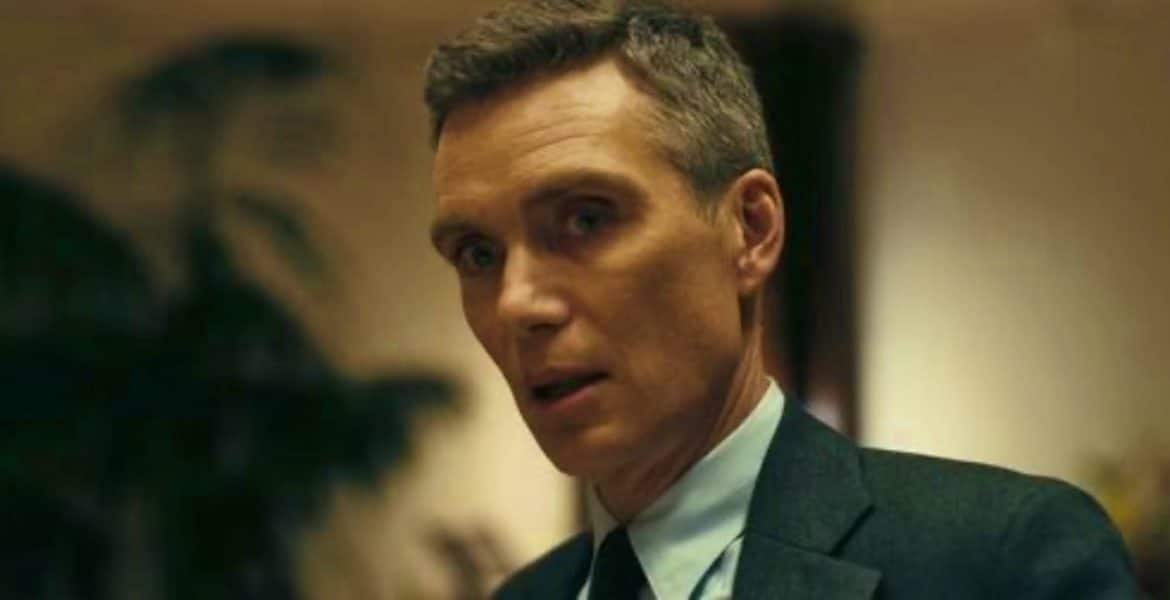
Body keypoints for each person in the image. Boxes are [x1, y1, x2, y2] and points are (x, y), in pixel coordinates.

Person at [422, 1, 1140, 598]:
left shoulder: (1003, 561)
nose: (517, 304)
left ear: (751, 230)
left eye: (586, 219)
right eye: (478, 255)